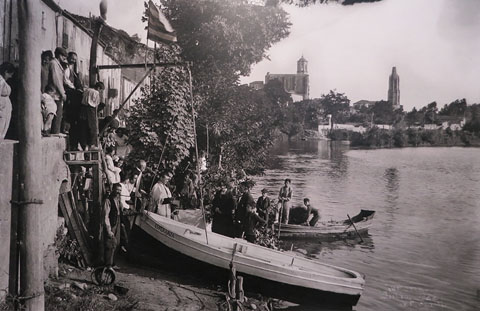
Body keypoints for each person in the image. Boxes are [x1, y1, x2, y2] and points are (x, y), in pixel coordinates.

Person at [64, 51, 84, 150]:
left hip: (72, 90)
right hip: (68, 90)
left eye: (75, 60)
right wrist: (73, 87)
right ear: (68, 57)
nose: (73, 61)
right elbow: (65, 80)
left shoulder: (72, 69)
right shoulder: (65, 68)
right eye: (72, 59)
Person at [47, 47, 68, 134]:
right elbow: (56, 80)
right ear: (59, 55)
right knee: (56, 114)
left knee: (58, 114)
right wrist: (62, 93)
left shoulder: (57, 64)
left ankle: (55, 132)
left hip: (56, 93)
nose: (64, 59)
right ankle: (54, 132)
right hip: (54, 93)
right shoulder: (54, 64)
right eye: (64, 56)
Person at [101, 183, 122, 267]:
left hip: (117, 222)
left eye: (120, 190)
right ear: (113, 189)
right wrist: (108, 229)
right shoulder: (108, 200)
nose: (118, 192)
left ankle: (112, 264)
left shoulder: (118, 200)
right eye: (117, 190)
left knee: (117, 244)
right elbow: (105, 216)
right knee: (110, 244)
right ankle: (107, 265)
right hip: (111, 224)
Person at [79, 81, 104, 150]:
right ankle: (91, 144)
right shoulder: (96, 92)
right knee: (92, 127)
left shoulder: (87, 90)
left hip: (83, 109)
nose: (101, 92)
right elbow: (96, 103)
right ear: (98, 88)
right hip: (91, 109)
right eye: (101, 90)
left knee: (84, 126)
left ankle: (84, 144)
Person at [0, 62, 15, 139]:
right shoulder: (1, 81)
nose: (10, 76)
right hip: (2, 111)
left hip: (5, 111)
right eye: (10, 74)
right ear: (5, 72)